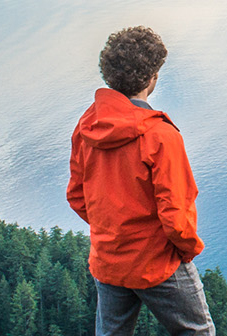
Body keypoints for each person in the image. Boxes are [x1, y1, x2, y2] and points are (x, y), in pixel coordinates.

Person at [69, 26, 214, 336]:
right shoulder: (160, 136)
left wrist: (112, 230)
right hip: (156, 262)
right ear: (151, 78)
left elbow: (77, 195)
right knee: (198, 333)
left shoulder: (88, 124)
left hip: (108, 260)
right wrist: (187, 251)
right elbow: (176, 216)